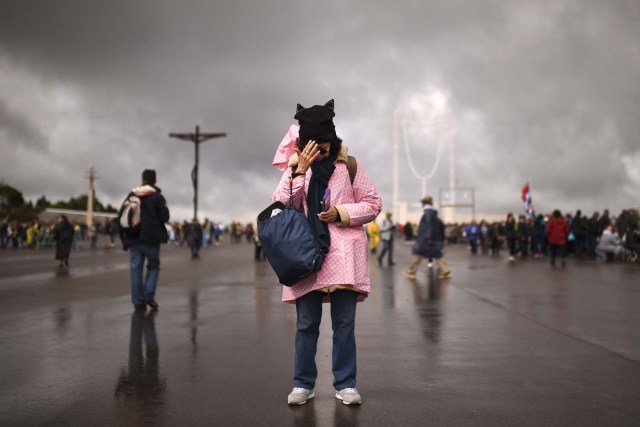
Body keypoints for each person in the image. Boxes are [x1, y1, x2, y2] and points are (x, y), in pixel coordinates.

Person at [270, 100, 382, 406]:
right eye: (314, 147)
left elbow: (373, 203)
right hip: (306, 256)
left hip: (344, 254)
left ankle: (345, 383)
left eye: (325, 145)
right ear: (304, 145)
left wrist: (342, 212)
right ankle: (302, 384)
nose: (320, 151)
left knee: (344, 324)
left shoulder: (349, 166)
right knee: (307, 324)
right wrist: (299, 173)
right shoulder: (295, 168)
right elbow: (283, 207)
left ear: (333, 139)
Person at [119, 169, 170, 312]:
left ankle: (137, 302)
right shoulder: (157, 196)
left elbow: (121, 215)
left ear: (142, 180)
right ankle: (148, 295)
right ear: (155, 181)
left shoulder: (132, 194)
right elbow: (165, 217)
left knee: (135, 269)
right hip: (151, 239)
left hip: (133, 238)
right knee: (153, 266)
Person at [403, 196, 452, 279]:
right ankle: (445, 270)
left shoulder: (428, 212)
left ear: (424, 203)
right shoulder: (432, 212)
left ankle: (412, 271)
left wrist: (428, 237)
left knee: (420, 253)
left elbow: (429, 225)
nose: (421, 204)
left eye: (422, 203)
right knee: (436, 254)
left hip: (426, 238)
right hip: (430, 238)